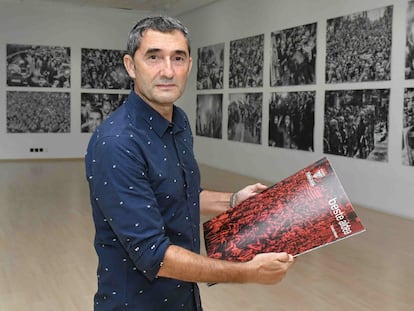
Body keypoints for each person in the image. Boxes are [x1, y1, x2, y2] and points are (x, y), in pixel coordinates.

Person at [85, 16, 294, 311]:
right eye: (154, 57)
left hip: (184, 300)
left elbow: (180, 195)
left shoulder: (178, 121)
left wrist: (234, 200)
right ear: (131, 66)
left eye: (178, 58)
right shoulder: (117, 143)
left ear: (190, 66)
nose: (168, 70)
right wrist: (249, 272)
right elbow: (153, 254)